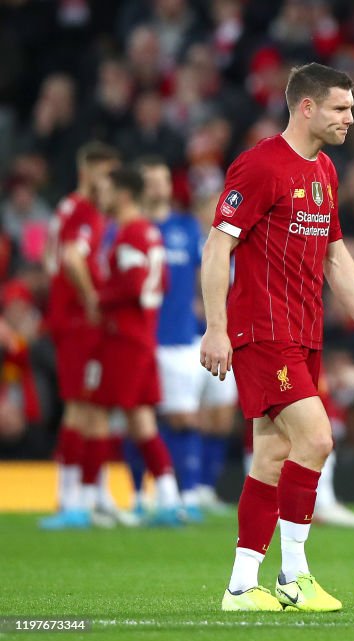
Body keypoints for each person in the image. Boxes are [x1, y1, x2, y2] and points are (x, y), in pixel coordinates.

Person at [200, 63, 354, 612]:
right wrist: (216, 328)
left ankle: (241, 585)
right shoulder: (259, 167)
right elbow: (218, 247)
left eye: (351, 108)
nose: (351, 118)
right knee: (318, 438)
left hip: (304, 333)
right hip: (262, 331)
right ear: (306, 107)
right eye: (340, 108)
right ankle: (294, 575)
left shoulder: (325, 170)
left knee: (272, 455)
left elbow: (335, 254)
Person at [130, 156, 237, 521]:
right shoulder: (132, 227)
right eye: (152, 179)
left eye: (163, 178)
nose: (159, 186)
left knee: (185, 417)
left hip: (180, 338)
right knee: (135, 416)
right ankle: (138, 495)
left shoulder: (186, 228)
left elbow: (206, 270)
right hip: (139, 338)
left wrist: (207, 312)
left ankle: (190, 493)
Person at [81, 165, 184, 526]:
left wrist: (99, 299)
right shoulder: (149, 232)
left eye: (107, 190)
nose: (102, 197)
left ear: (123, 194)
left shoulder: (131, 234)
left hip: (124, 339)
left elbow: (135, 284)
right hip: (143, 336)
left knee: (95, 413)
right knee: (141, 422)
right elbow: (163, 283)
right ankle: (170, 498)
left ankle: (91, 501)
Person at [39, 142, 122, 530]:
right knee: (81, 407)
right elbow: (71, 257)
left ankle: (91, 493)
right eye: (106, 175)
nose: (111, 184)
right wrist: (90, 298)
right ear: (89, 172)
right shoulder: (85, 212)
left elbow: (49, 258)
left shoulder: (67, 209)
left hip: (67, 319)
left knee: (92, 406)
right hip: (77, 323)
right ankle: (71, 498)